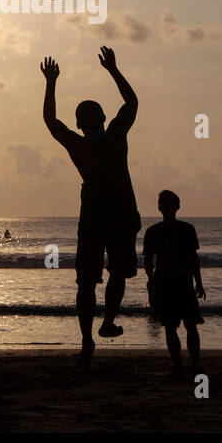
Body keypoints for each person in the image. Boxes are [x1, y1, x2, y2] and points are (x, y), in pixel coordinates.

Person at [41, 46, 141, 371]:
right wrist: (113, 69)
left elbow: (51, 121)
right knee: (117, 272)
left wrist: (51, 82)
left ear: (80, 124)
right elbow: (131, 103)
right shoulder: (115, 135)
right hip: (121, 213)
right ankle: (108, 321)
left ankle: (88, 339)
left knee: (87, 281)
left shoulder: (79, 144)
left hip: (96, 215)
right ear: (100, 118)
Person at [142, 190, 205, 376]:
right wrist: (151, 282)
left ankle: (194, 364)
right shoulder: (153, 232)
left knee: (191, 324)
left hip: (184, 281)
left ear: (177, 206)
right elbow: (147, 260)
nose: (167, 206)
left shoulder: (187, 229)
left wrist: (199, 283)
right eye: (164, 203)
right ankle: (177, 365)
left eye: (170, 203)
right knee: (170, 326)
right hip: (164, 282)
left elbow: (193, 259)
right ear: (159, 207)